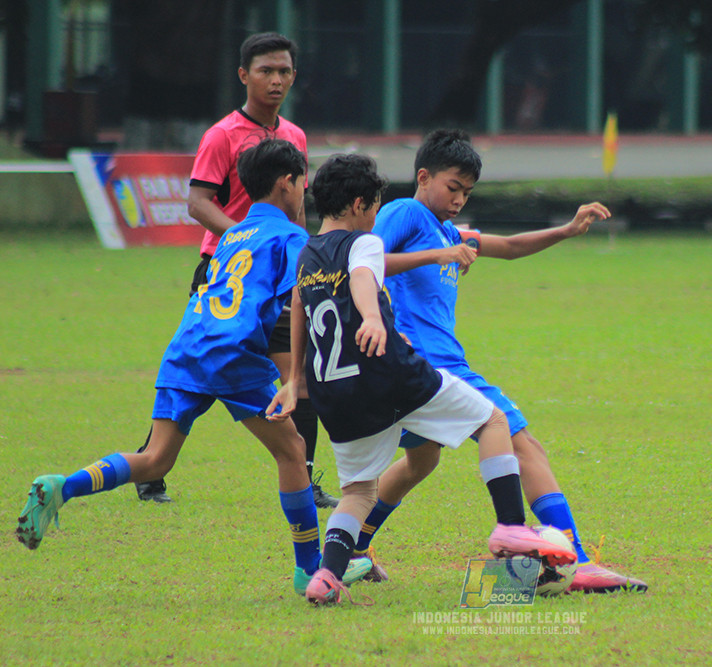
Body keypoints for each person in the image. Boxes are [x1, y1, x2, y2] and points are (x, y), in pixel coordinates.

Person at [16, 139, 332, 596]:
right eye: (302, 182)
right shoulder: (290, 236)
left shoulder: (234, 233)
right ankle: (309, 568)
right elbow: (300, 299)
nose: (303, 191)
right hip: (233, 351)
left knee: (155, 460)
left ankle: (62, 486)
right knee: (292, 450)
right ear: (287, 183)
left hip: (188, 344)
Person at [270, 153, 576, 606]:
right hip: (389, 370)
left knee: (357, 491)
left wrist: (294, 379)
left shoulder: (308, 254)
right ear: (358, 204)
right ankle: (512, 527)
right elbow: (362, 277)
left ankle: (326, 578)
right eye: (374, 205)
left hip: (334, 389)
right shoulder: (366, 241)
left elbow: (298, 305)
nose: (376, 215)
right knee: (493, 422)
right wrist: (372, 317)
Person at [357, 129, 647, 593]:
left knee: (420, 462)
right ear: (424, 176)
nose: (458, 200)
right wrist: (436, 255)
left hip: (416, 369)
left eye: (466, 193)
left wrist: (567, 230)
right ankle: (579, 561)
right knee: (521, 439)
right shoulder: (406, 212)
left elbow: (509, 247)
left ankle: (353, 549)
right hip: (434, 365)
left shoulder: (448, 230)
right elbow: (365, 258)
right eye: (452, 188)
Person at [134, 31, 337, 508]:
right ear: (244, 75)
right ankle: (150, 465)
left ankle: (304, 477)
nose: (276, 80)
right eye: (266, 70)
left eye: (285, 71)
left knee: (300, 375)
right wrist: (244, 241)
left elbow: (298, 209)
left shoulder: (295, 137)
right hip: (227, 273)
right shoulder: (222, 135)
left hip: (283, 273)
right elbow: (197, 202)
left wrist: (307, 256)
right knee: (198, 368)